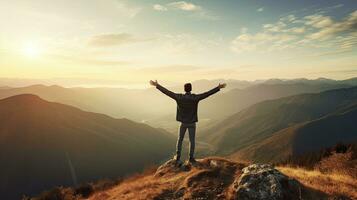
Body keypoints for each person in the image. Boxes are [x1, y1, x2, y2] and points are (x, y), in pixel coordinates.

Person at [150, 80, 226, 163]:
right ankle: (191, 158)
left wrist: (157, 85)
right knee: (192, 141)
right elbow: (207, 94)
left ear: (184, 89)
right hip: (192, 123)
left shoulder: (179, 97)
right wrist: (218, 88)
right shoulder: (195, 98)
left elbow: (167, 92)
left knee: (180, 140)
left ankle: (178, 157)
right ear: (191, 89)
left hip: (183, 123)